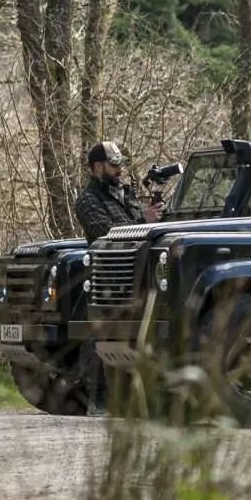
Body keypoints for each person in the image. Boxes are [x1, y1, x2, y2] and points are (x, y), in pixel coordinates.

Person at [72, 141, 163, 415]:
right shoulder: (87, 200)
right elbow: (104, 231)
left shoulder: (125, 194)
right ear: (97, 167)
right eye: (114, 165)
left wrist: (155, 216)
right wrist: (143, 220)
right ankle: (98, 400)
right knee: (100, 337)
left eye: (120, 164)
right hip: (106, 275)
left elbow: (140, 226)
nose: (119, 170)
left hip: (137, 272)